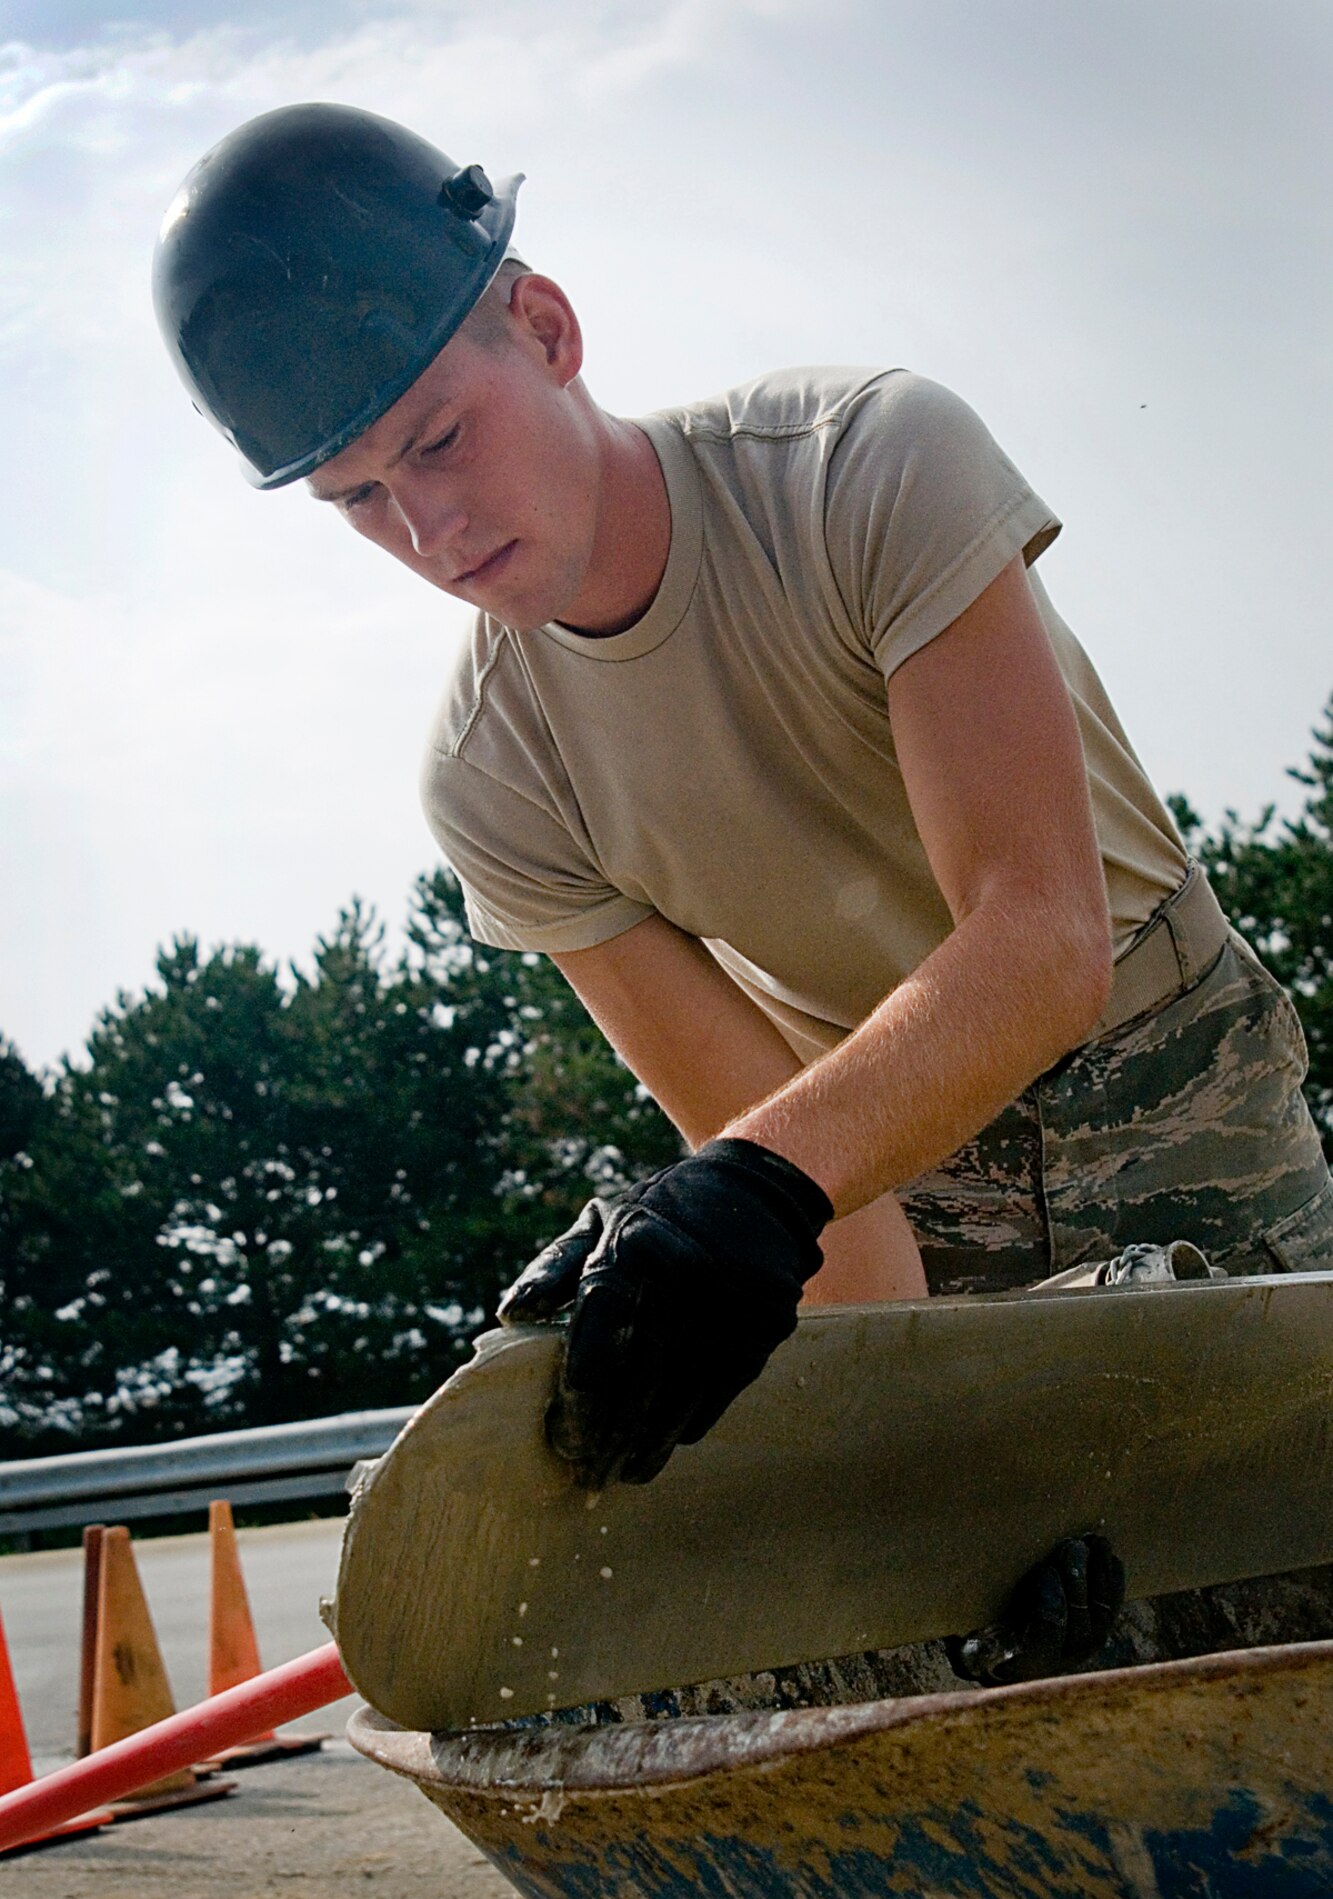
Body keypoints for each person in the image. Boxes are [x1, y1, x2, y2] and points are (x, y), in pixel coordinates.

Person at [153, 106, 1333, 1648]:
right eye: (358, 500)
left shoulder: (861, 463)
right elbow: (818, 1205)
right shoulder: (494, 780)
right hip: (870, 1153)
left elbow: (1041, 943)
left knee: (1287, 1585)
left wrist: (744, 1193)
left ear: (546, 326)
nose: (427, 529)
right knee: (972, 1642)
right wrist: (933, 1507)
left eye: (436, 439)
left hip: (1175, 1071)